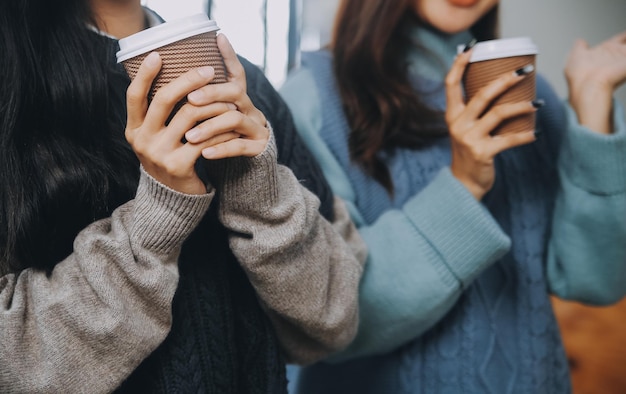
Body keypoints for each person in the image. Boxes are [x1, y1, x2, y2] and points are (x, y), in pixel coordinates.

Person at [0, 0, 366, 393]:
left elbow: (334, 323)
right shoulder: (16, 86)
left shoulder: (243, 86)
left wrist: (256, 188)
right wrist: (156, 218)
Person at [279, 0, 626, 392]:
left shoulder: (527, 95)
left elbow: (594, 282)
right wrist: (465, 183)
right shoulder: (314, 100)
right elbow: (329, 321)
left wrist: (594, 106)